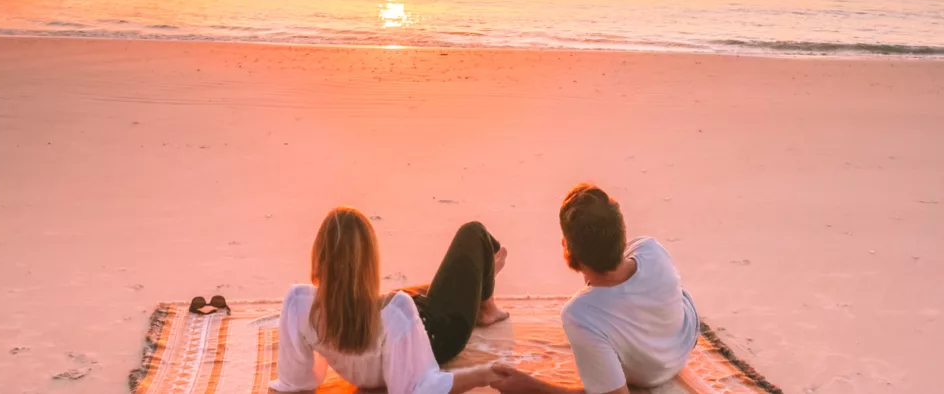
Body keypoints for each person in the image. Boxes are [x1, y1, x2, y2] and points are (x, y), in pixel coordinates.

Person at [272, 208, 508, 394]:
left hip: (403, 313)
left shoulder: (299, 305)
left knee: (428, 290)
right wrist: (487, 374)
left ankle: (476, 282)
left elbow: (296, 383)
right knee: (474, 233)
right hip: (439, 328)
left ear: (319, 254)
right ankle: (484, 303)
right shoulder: (396, 312)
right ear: (369, 262)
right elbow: (422, 388)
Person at [492, 184, 699, 394]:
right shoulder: (651, 248)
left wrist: (531, 387)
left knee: (591, 315)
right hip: (685, 341)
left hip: (649, 374)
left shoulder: (579, 314)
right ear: (622, 234)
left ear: (566, 246)